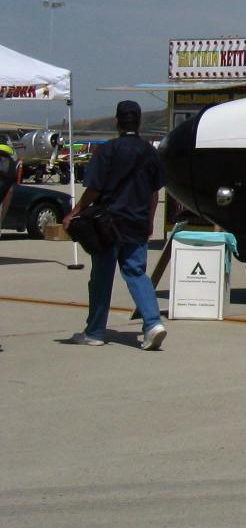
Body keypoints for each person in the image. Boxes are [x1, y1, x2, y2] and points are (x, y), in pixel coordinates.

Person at [62, 100, 167, 349]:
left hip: (106, 224)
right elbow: (154, 193)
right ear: (139, 122)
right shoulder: (149, 153)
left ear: (117, 121)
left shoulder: (108, 151)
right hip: (138, 223)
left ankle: (96, 331)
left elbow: (95, 189)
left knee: (101, 277)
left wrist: (75, 212)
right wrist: (150, 221)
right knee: (136, 273)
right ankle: (153, 323)